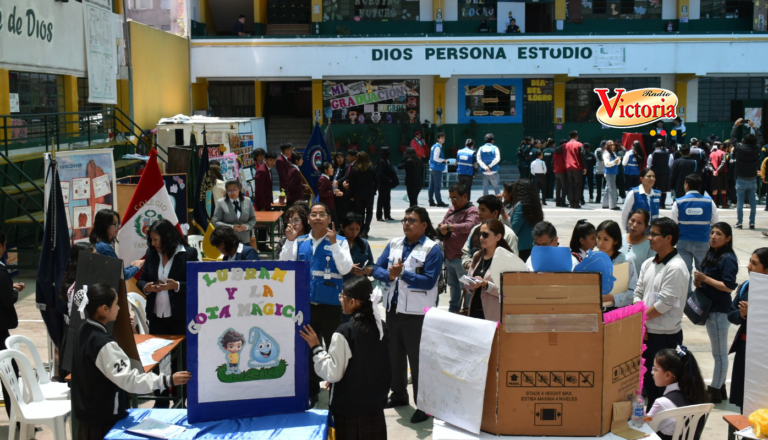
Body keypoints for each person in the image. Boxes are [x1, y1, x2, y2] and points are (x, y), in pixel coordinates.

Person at [71, 283, 192, 439]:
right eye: (116, 304)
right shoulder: (104, 344)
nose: (120, 308)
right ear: (104, 309)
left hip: (87, 413)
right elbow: (130, 381)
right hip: (104, 420)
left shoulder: (82, 330)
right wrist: (168, 379)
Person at [372, 206, 443, 424]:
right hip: (393, 311)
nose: (406, 223)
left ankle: (424, 405)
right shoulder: (394, 244)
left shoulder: (433, 249)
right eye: (404, 220)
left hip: (417, 314)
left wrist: (401, 273)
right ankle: (399, 395)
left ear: (424, 225)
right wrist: (389, 274)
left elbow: (430, 280)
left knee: (418, 360)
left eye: (412, 220)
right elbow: (376, 269)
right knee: (395, 356)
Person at [280, 203, 354, 407]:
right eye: (314, 214)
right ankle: (312, 390)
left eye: (322, 214)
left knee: (334, 349)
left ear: (329, 219)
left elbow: (346, 268)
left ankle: (338, 389)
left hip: (330, 306)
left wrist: (335, 245)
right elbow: (284, 264)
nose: (318, 217)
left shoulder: (340, 241)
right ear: (309, 220)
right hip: (306, 306)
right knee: (308, 349)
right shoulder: (300, 241)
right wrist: (289, 241)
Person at [299, 277, 391, 440]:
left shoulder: (344, 332)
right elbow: (370, 363)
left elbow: (333, 374)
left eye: (342, 296)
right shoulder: (380, 326)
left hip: (351, 410)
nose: (340, 300)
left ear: (353, 302)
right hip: (375, 405)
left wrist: (316, 347)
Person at [633, 217, 689, 409]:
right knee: (648, 383)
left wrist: (640, 319)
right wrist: (640, 321)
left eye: (655, 234)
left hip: (664, 337)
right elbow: (638, 291)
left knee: (663, 389)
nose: (650, 237)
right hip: (647, 332)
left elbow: (664, 304)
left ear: (668, 238)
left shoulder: (676, 268)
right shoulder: (649, 262)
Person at [691, 222, 738, 403]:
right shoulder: (712, 253)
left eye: (719, 234)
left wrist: (706, 279)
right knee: (717, 352)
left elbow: (728, 287)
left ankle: (715, 391)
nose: (714, 236)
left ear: (728, 239)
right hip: (710, 308)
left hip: (719, 311)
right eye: (712, 233)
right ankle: (721, 387)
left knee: (719, 354)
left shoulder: (727, 258)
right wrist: (700, 282)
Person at [137, 219, 199, 336]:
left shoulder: (189, 254)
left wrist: (177, 286)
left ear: (167, 238)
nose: (153, 243)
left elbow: (197, 284)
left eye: (155, 239)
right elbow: (141, 280)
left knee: (180, 353)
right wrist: (147, 287)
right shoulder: (151, 253)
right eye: (151, 240)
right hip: (156, 317)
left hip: (180, 317)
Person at [728, 248, 768, 410]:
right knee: (743, 397)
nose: (749, 266)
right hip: (745, 350)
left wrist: (753, 313)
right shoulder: (745, 286)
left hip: (763, 353)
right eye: (750, 262)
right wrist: (743, 315)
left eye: (754, 263)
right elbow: (731, 313)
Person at [464, 220, 524, 321]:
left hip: (494, 315)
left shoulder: (507, 260)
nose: (481, 238)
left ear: (498, 237)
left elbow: (508, 292)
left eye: (485, 234)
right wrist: (470, 283)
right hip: (474, 312)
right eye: (480, 234)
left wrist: (486, 285)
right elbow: (468, 286)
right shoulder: (477, 256)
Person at [671, 174, 719, 297]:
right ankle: (704, 296)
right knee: (704, 271)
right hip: (703, 242)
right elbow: (716, 224)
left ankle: (686, 297)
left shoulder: (679, 202)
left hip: (683, 242)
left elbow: (673, 225)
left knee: (684, 271)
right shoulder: (709, 202)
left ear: (686, 185)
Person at [647, 347, 708, 440]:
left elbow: (644, 429)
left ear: (668, 375)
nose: (652, 372)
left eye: (655, 369)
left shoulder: (662, 403)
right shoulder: (699, 394)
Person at [437, 183, 479, 313]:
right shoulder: (451, 209)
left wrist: (450, 227)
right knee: (453, 287)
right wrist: (442, 227)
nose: (453, 201)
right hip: (449, 257)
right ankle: (453, 310)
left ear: (465, 196)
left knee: (466, 288)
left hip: (461, 260)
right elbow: (443, 222)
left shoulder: (471, 211)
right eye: (451, 198)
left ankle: (467, 310)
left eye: (455, 198)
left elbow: (470, 226)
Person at [462, 194, 519, 271]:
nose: (479, 213)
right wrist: (469, 265)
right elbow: (466, 253)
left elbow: (513, 263)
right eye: (478, 209)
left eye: (483, 210)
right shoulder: (475, 229)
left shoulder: (508, 234)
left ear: (495, 213)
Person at [0, 231, 23, 419]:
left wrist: (9, 287)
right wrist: (13, 292)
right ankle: (17, 420)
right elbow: (7, 300)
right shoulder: (1, 271)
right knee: (10, 375)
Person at [89, 209, 144, 279]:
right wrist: (137, 267)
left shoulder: (98, 244)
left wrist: (132, 265)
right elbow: (123, 275)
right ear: (104, 225)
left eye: (118, 224)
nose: (117, 227)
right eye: (114, 224)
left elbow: (118, 271)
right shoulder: (104, 248)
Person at [597, 220, 638, 308]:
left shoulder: (626, 261)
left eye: (606, 239)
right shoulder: (592, 259)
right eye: (598, 238)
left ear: (615, 241)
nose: (600, 243)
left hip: (617, 313)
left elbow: (634, 292)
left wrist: (612, 298)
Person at [732, 118, 763, 229]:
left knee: (740, 202)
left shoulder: (740, 148)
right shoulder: (757, 149)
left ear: (744, 141)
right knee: (753, 202)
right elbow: (760, 138)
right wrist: (754, 126)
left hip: (741, 178)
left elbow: (733, 139)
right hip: (752, 178)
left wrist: (736, 126)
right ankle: (752, 222)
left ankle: (739, 222)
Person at [212, 179, 257, 245]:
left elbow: (253, 218)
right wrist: (231, 227)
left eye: (234, 190)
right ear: (226, 192)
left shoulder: (247, 201)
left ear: (239, 189)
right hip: (228, 239)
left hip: (245, 239)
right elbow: (215, 222)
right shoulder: (221, 203)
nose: (232, 193)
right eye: (229, 191)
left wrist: (247, 226)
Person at [510, 179, 544, 261]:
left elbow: (514, 227)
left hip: (521, 246)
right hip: (533, 244)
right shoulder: (535, 204)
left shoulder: (521, 205)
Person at [349, 151, 378, 238]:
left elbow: (352, 184)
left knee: (360, 213)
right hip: (369, 194)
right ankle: (365, 229)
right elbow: (377, 182)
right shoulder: (372, 169)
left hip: (358, 194)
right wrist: (374, 191)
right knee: (369, 212)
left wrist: (351, 195)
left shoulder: (355, 169)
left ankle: (361, 229)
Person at [339, 213, 374, 284]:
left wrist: (366, 270)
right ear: (342, 227)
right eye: (350, 229)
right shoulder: (335, 243)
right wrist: (347, 269)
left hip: (359, 285)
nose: (354, 233)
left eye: (357, 229)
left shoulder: (364, 243)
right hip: (341, 284)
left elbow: (371, 264)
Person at [621, 209, 657, 276]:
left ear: (645, 227)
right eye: (632, 220)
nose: (634, 225)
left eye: (639, 223)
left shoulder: (650, 245)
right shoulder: (619, 239)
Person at [254, 151, 277, 252]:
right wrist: (262, 206)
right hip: (262, 204)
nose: (272, 162)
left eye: (273, 160)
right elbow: (260, 191)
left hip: (267, 202)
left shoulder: (268, 170)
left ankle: (263, 245)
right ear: (265, 160)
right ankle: (261, 246)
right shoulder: (262, 171)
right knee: (262, 227)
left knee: (265, 226)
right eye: (270, 160)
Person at [647, 139, 674, 209]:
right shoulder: (668, 152)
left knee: (655, 188)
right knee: (664, 189)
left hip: (655, 172)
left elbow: (649, 163)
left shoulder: (654, 153)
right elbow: (670, 163)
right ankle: (662, 204)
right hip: (665, 172)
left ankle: (655, 203)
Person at [564, 130, 586, 209]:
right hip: (577, 167)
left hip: (569, 167)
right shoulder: (579, 144)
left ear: (569, 137)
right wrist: (585, 167)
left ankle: (571, 202)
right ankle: (576, 203)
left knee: (570, 185)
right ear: (576, 136)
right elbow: (582, 156)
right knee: (577, 186)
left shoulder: (566, 145)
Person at [376, 147, 399, 222]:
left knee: (387, 200)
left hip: (387, 184)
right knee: (381, 200)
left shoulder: (387, 160)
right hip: (383, 184)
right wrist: (388, 179)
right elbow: (380, 173)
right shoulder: (381, 161)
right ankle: (379, 216)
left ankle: (387, 215)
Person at [428, 132, 448, 207]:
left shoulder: (434, 146)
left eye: (444, 138)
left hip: (432, 168)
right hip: (437, 169)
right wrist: (443, 160)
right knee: (437, 187)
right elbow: (435, 158)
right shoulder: (437, 147)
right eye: (442, 138)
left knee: (432, 186)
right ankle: (439, 202)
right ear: (438, 139)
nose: (443, 139)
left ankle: (431, 201)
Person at [317, 162, 340, 227]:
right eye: (331, 168)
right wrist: (333, 192)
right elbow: (322, 193)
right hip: (327, 206)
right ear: (326, 170)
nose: (333, 169)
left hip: (330, 205)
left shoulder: (327, 178)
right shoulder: (322, 179)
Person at [602, 140, 621, 210]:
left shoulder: (613, 153)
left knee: (608, 188)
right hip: (609, 173)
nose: (613, 146)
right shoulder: (606, 154)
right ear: (607, 146)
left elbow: (618, 163)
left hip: (613, 172)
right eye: (611, 145)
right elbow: (607, 164)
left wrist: (618, 160)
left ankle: (605, 204)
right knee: (612, 189)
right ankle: (612, 205)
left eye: (613, 145)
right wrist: (615, 161)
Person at [709, 141, 729, 208]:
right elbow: (723, 163)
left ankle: (715, 205)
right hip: (722, 173)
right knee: (723, 189)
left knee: (715, 190)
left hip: (714, 174)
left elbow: (709, 164)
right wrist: (718, 170)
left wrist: (714, 171)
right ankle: (724, 204)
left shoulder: (711, 154)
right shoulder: (723, 153)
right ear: (720, 146)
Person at [554, 139, 568, 206]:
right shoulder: (564, 151)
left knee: (558, 188)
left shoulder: (555, 151)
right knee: (564, 187)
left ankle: (557, 202)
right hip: (563, 171)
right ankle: (563, 202)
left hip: (556, 171)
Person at [594, 141, 606, 205]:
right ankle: (598, 199)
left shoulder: (607, 151)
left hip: (605, 171)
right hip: (599, 171)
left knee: (606, 187)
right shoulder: (598, 150)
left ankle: (606, 200)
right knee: (599, 187)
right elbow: (600, 158)